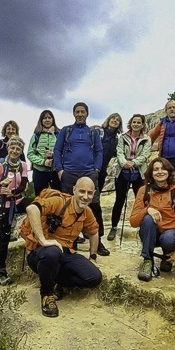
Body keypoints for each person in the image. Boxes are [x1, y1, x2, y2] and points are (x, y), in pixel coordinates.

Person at [21, 177, 102, 317]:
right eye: (82, 191)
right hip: (40, 254)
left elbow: (94, 232)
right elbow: (32, 208)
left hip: (65, 252)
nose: (85, 196)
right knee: (52, 252)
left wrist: (93, 256)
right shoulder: (59, 202)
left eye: (89, 193)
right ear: (74, 190)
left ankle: (57, 282)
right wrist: (43, 240)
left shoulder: (87, 212)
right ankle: (47, 294)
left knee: (94, 277)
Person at [53, 102, 109, 256]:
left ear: (87, 114)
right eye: (77, 112)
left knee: (94, 206)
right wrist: (59, 169)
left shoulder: (93, 132)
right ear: (73, 114)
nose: (79, 114)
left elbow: (99, 151)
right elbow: (57, 150)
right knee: (68, 206)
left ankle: (98, 241)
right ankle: (71, 239)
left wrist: (96, 169)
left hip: (88, 172)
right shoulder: (66, 130)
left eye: (82, 112)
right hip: (69, 173)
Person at [130, 157, 175, 282]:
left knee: (169, 238)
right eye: (156, 169)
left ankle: (167, 257)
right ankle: (147, 260)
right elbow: (133, 222)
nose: (160, 172)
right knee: (147, 219)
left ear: (169, 172)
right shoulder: (143, 191)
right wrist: (147, 210)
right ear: (151, 173)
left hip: (170, 234)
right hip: (149, 232)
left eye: (163, 169)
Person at [0, 136, 31, 285]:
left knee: (37, 205)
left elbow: (24, 183)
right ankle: (0, 271)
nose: (15, 151)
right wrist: (1, 184)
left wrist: (14, 192)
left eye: (18, 149)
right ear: (8, 148)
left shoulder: (22, 165)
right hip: (3, 204)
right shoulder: (0, 166)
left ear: (21, 151)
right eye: (12, 148)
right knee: (3, 239)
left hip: (16, 199)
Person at [107, 114, 151, 241]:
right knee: (119, 200)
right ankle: (114, 227)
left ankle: (144, 227)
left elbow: (145, 154)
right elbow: (119, 151)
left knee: (142, 201)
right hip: (122, 172)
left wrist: (134, 162)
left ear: (142, 125)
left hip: (140, 173)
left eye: (138, 122)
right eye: (134, 122)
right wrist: (124, 162)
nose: (136, 124)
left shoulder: (146, 139)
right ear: (130, 123)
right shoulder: (123, 137)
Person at [149, 99, 175, 189]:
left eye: (174, 107)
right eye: (169, 108)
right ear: (166, 111)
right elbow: (151, 137)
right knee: (164, 183)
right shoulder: (162, 123)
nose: (172, 109)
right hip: (164, 159)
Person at [27, 110, 61, 195]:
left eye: (49, 117)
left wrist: (53, 155)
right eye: (45, 118)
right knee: (40, 196)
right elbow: (30, 154)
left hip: (55, 171)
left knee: (58, 195)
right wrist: (43, 162)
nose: (47, 120)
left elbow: (63, 152)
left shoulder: (58, 135)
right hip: (39, 172)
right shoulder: (36, 136)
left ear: (53, 120)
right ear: (41, 120)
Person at [98, 113, 123, 193]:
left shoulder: (116, 139)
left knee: (97, 195)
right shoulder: (99, 132)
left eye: (117, 120)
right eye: (113, 118)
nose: (115, 120)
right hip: (91, 169)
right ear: (108, 120)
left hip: (102, 172)